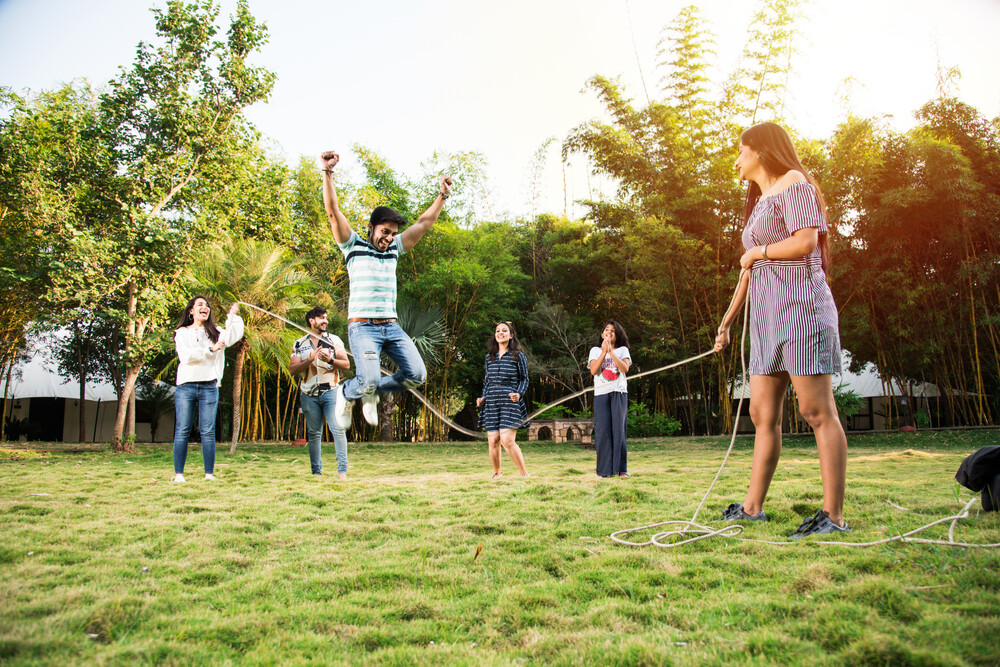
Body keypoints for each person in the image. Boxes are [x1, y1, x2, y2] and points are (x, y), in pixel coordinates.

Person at [714, 121, 849, 539]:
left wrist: (759, 250)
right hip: (767, 321)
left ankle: (834, 517)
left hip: (803, 313)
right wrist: (726, 323)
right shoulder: (758, 204)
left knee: (816, 411)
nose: (736, 160)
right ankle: (752, 509)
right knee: (761, 414)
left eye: (740, 150)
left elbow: (805, 241)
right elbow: (750, 270)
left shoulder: (794, 182)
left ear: (760, 150)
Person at [320, 150, 453, 431]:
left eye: (393, 233)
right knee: (366, 378)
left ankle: (373, 392)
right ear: (372, 227)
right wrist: (328, 172)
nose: (389, 238)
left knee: (416, 374)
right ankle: (347, 393)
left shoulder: (394, 249)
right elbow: (332, 212)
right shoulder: (352, 245)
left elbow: (424, 223)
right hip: (363, 328)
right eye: (385, 231)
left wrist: (442, 196)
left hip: (391, 328)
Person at [172, 296, 243, 483]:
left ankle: (208, 474)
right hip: (186, 386)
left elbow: (234, 334)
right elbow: (186, 357)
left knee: (208, 431)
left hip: (210, 386)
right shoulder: (182, 333)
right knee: (182, 430)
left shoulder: (217, 332)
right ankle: (179, 474)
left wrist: (232, 315)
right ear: (191, 311)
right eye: (200, 305)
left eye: (207, 305)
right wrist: (210, 350)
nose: (205, 308)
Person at [290, 306, 350, 478]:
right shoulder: (299, 344)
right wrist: (308, 360)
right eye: (322, 318)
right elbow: (292, 369)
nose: (326, 321)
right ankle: (316, 473)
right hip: (308, 394)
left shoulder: (334, 340)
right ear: (312, 321)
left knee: (337, 429)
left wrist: (330, 359)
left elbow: (346, 365)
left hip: (331, 390)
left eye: (326, 318)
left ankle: (342, 472)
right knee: (314, 433)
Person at [476, 321, 529, 478]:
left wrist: (519, 394)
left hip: (509, 402)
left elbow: (525, 379)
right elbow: (487, 381)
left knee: (507, 440)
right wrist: (483, 397)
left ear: (511, 335)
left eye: (504, 331)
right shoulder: (489, 358)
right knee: (493, 442)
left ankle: (523, 474)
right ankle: (497, 474)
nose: (500, 333)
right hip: (491, 402)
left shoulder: (518, 356)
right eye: (498, 331)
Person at [589, 321, 632, 478]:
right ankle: (604, 471)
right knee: (602, 432)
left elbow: (625, 369)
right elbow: (594, 371)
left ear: (617, 334)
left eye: (613, 331)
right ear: (602, 334)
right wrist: (603, 352)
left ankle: (621, 470)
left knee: (618, 431)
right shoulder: (594, 351)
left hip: (619, 392)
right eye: (606, 330)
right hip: (601, 394)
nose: (609, 332)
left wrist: (611, 353)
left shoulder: (623, 350)